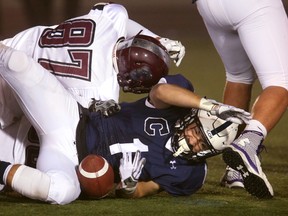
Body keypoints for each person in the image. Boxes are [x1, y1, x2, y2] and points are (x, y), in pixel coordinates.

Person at [0, 43, 251, 204]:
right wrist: (210, 106)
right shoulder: (178, 103)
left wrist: (129, 187)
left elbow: (145, 190)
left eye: (203, 145)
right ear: (193, 117)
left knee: (60, 192)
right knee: (17, 65)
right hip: (73, 119)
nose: (195, 142)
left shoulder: (191, 175)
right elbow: (159, 93)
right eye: (198, 132)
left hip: (75, 165)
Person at [0, 2, 185, 129]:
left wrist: (156, 39)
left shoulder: (108, 23)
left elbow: (118, 14)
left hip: (9, 47)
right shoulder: (102, 88)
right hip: (8, 96)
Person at [193, 0, 288, 199]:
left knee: (238, 77)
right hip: (250, 5)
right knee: (281, 81)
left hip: (209, 7)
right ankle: (248, 143)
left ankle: (235, 171)